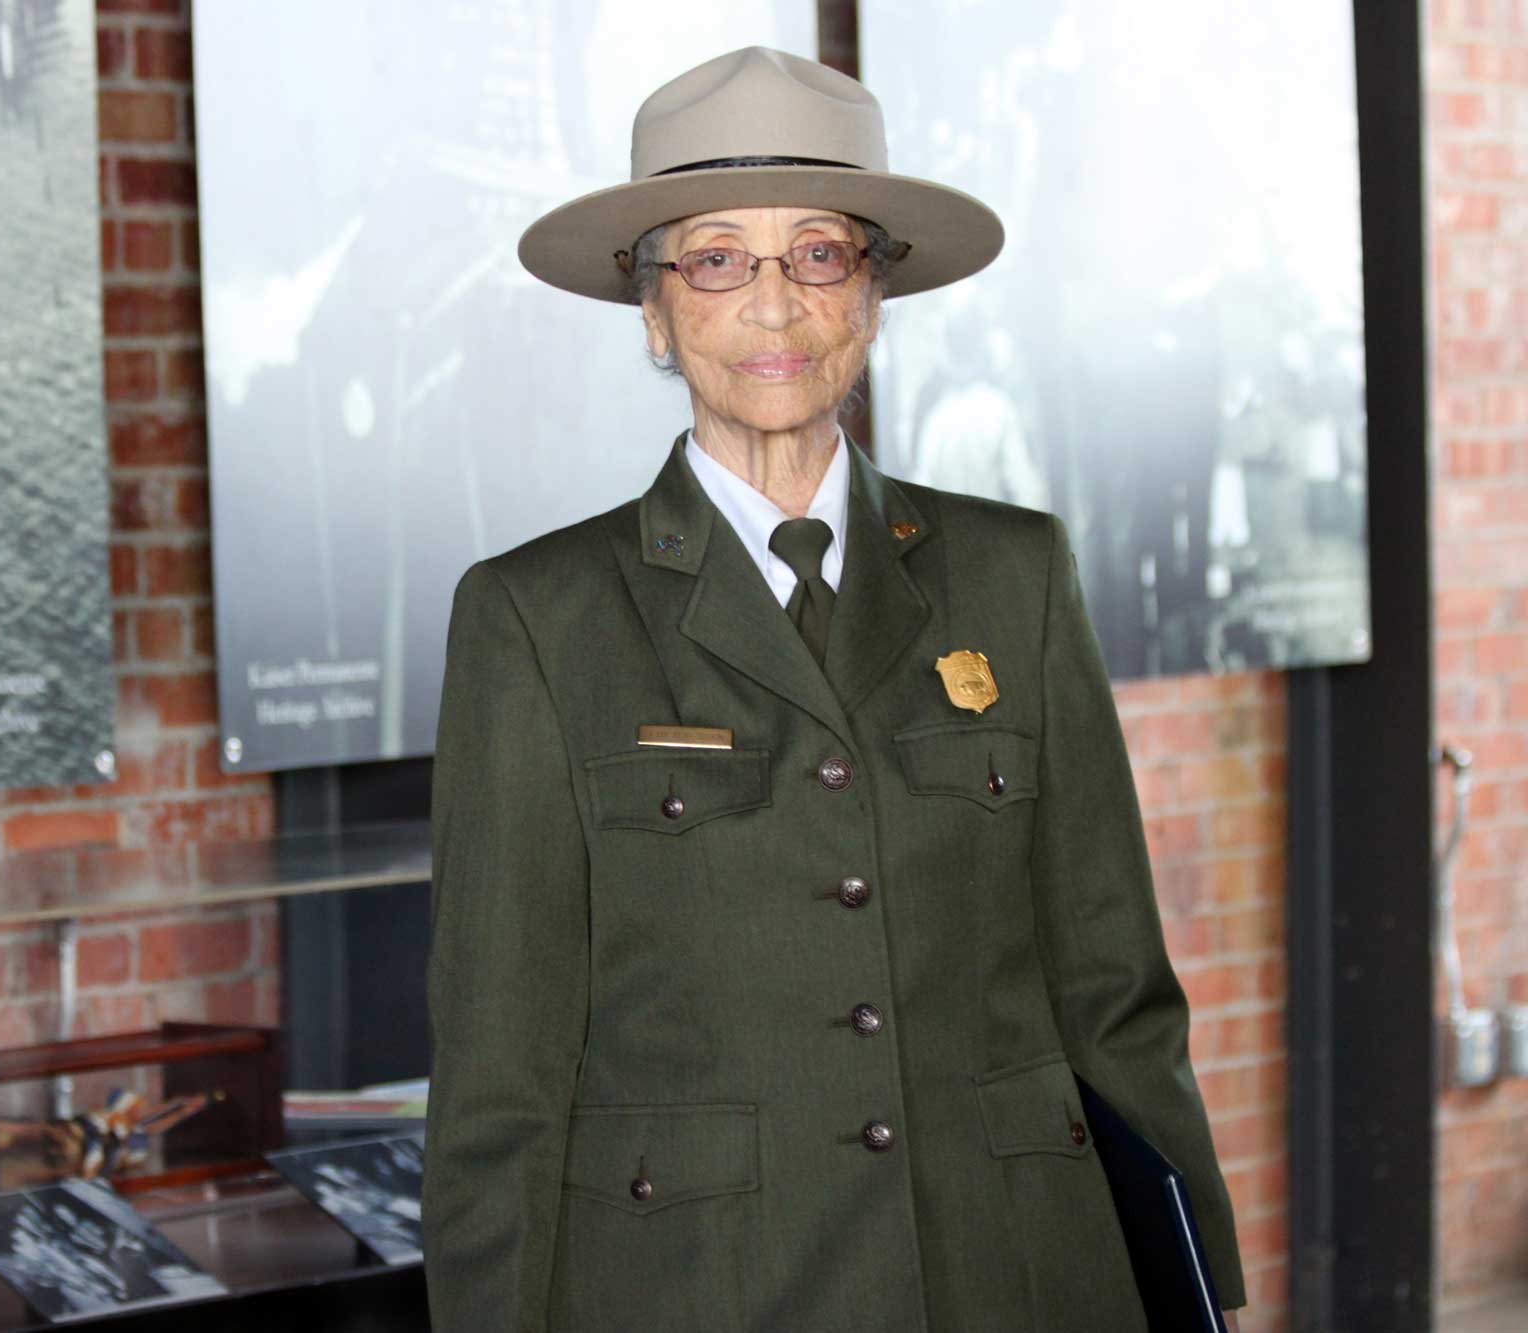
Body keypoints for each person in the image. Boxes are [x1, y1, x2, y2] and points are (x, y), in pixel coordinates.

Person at [422, 46, 1245, 1331]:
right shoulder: (535, 617)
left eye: (815, 253)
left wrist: (1200, 1289)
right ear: (652, 310)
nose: (771, 305)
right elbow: (500, 1070)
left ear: (871, 292)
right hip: (695, 1289)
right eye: (712, 258)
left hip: (1014, 1272)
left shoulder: (1012, 573)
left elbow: (1112, 988)